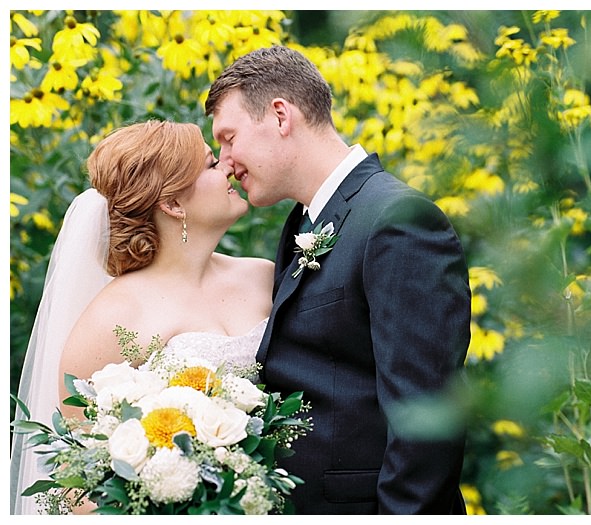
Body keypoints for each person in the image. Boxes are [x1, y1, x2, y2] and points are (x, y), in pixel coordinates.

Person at [205, 45, 472, 515]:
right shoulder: (300, 225)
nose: (225, 161)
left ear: (280, 116)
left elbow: (428, 419)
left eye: (229, 137)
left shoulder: (398, 221)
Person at [10, 120, 274, 514]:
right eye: (208, 165)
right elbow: (76, 474)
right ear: (173, 204)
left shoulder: (264, 276)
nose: (227, 165)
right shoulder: (112, 318)